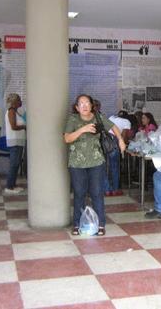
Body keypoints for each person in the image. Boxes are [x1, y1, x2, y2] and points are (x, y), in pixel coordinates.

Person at [64, 94, 126, 236]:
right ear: (77, 107)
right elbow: (67, 138)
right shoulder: (73, 119)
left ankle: (101, 224)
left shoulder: (98, 117)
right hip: (76, 163)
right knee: (79, 193)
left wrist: (121, 140)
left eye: (87, 103)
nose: (84, 106)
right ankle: (77, 223)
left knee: (97, 193)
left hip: (96, 161)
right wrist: (82, 129)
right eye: (81, 103)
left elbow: (114, 127)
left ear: (91, 105)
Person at [104, 111, 131, 196]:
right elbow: (124, 136)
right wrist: (124, 143)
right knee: (114, 167)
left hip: (104, 141)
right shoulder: (126, 122)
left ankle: (107, 190)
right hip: (114, 142)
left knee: (105, 167)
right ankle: (115, 189)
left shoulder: (111, 118)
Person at [4, 93, 26, 194]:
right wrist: (25, 127)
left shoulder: (16, 112)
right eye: (19, 100)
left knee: (16, 164)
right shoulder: (11, 111)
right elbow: (13, 126)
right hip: (14, 142)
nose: (21, 102)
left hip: (18, 141)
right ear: (14, 102)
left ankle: (13, 185)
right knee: (14, 164)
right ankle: (9, 187)